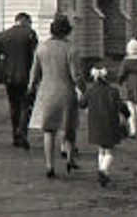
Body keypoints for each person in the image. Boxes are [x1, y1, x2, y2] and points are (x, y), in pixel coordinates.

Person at [27, 13, 85, 179]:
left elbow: (34, 72)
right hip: (66, 91)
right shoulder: (71, 49)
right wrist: (83, 89)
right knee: (69, 127)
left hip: (46, 92)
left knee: (49, 130)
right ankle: (69, 158)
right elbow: (76, 75)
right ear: (67, 31)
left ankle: (49, 165)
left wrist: (31, 87)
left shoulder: (42, 47)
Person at [0, 12, 38, 149]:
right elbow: (35, 58)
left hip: (9, 76)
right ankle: (22, 131)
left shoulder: (2, 36)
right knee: (26, 105)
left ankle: (15, 134)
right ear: (25, 21)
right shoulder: (30, 34)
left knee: (14, 106)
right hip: (26, 76)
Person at [80, 66, 130, 187]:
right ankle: (103, 170)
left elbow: (82, 104)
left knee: (101, 149)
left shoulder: (90, 90)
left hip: (95, 123)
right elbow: (121, 107)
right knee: (109, 150)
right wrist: (127, 115)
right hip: (110, 122)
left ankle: (103, 170)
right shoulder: (113, 91)